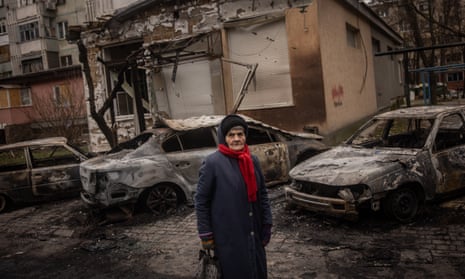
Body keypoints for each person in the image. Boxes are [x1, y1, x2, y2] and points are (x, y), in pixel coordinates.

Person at [195, 114, 273, 279]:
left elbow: (262, 194)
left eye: (240, 134)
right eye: (231, 135)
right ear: (224, 137)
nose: (237, 139)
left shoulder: (252, 160)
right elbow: (201, 201)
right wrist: (206, 234)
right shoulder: (212, 163)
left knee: (256, 272)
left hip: (253, 232)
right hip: (228, 237)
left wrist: (267, 223)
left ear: (245, 136)